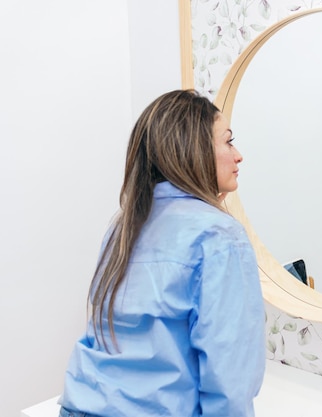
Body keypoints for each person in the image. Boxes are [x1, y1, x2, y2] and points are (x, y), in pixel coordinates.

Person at [58, 90, 265, 417]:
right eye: (228, 141)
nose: (238, 155)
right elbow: (229, 383)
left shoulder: (122, 227)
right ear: (193, 150)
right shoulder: (220, 237)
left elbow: (108, 337)